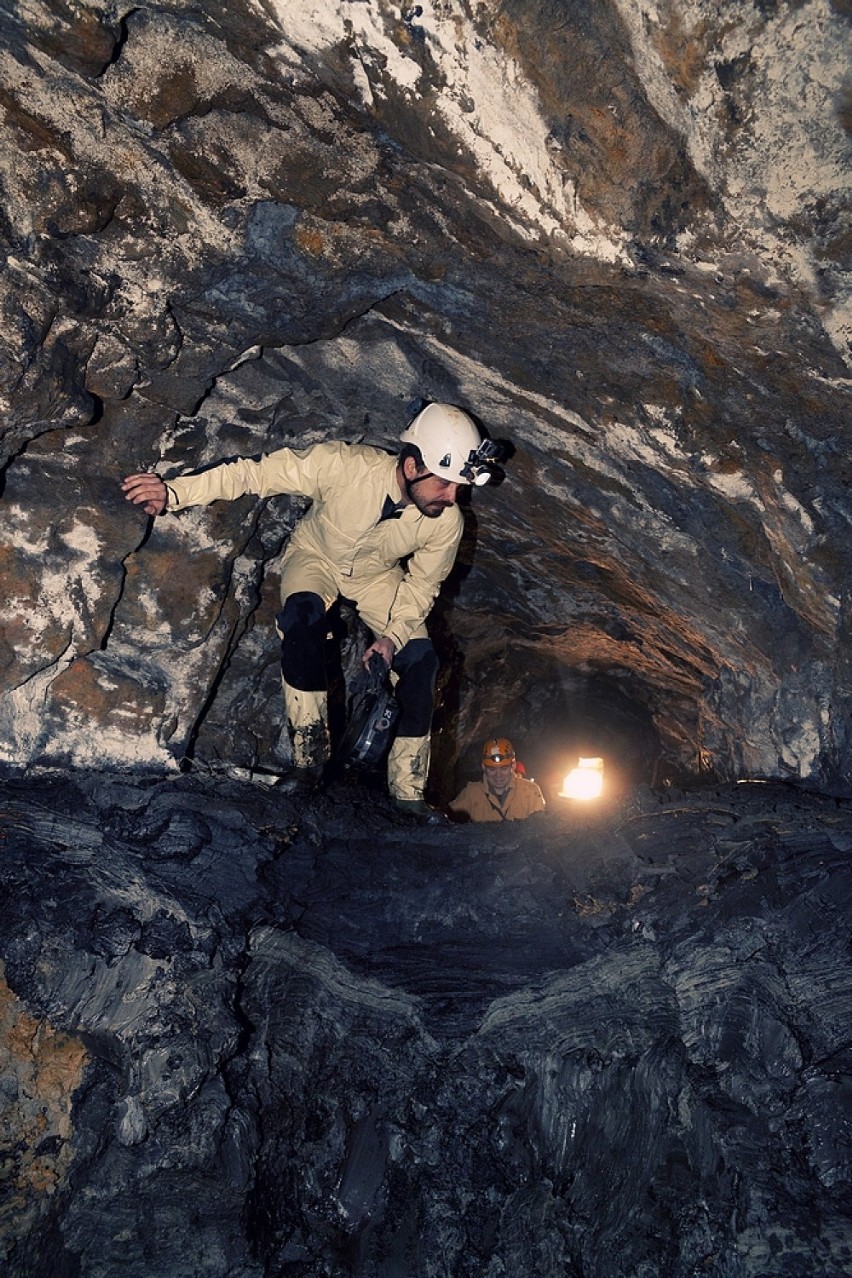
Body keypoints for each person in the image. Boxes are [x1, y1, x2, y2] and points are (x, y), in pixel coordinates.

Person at [122, 403, 498, 817]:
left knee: (421, 661)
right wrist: (174, 493)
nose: (451, 498)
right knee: (302, 620)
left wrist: (391, 638)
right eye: (446, 485)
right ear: (412, 467)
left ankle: (407, 794)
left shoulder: (446, 522)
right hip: (316, 556)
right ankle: (309, 763)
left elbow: (423, 585)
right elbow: (256, 473)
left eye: (459, 488)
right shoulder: (344, 466)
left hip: (376, 577)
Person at [448, 737, 546, 822]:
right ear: (483, 767)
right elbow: (446, 823)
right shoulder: (471, 793)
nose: (498, 775)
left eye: (504, 768)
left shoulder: (530, 791)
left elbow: (541, 830)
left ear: (513, 766)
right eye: (492, 769)